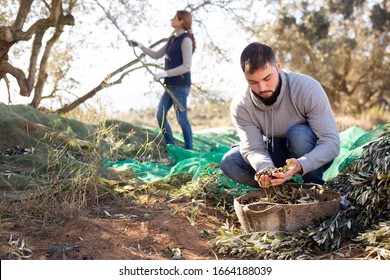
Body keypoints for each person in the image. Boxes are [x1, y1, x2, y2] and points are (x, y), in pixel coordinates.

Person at [221, 42, 340, 188]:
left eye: (267, 78)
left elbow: (330, 142)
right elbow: (253, 149)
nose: (262, 88)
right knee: (230, 162)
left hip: (310, 153)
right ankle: (281, 188)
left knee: (299, 134)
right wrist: (265, 168)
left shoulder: (307, 88)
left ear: (278, 66)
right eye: (253, 82)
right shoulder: (241, 105)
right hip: (274, 150)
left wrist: (301, 164)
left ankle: (312, 187)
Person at [130, 10, 196, 150]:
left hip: (180, 86)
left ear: (182, 21)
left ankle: (189, 150)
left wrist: (164, 73)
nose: (171, 19)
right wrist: (140, 45)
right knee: (160, 115)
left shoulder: (186, 40)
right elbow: (156, 55)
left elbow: (186, 66)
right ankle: (171, 147)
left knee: (182, 119)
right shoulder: (172, 39)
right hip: (170, 86)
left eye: (174, 18)